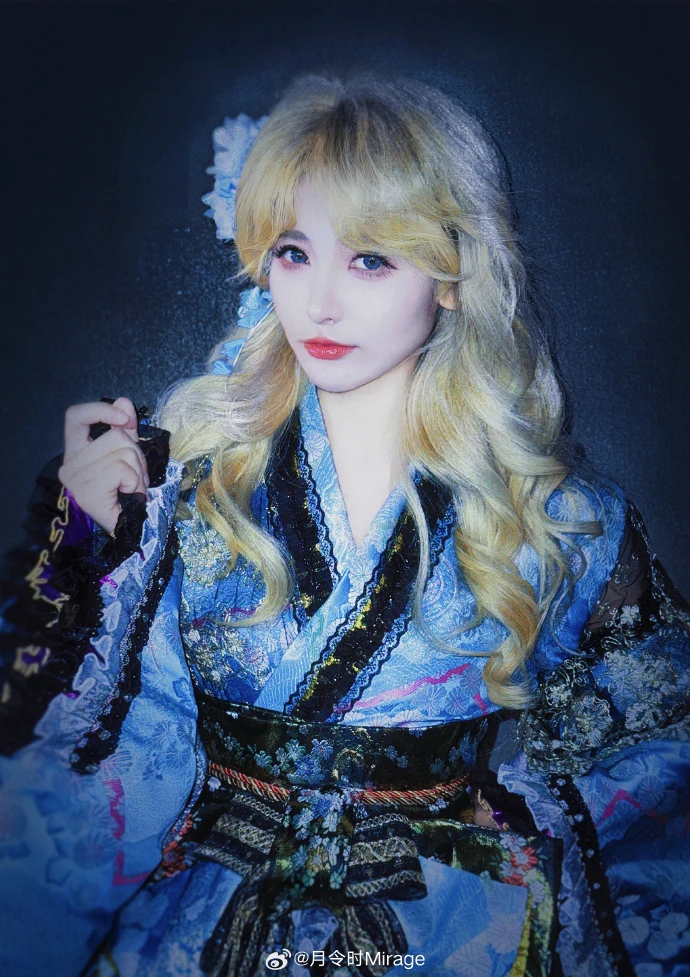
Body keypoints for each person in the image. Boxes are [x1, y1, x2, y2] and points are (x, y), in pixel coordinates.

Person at [0, 74, 688, 977]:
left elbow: (659, 755)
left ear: (451, 274)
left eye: (370, 260)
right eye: (294, 252)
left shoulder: (558, 523)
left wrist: (508, 846)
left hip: (445, 934)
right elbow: (109, 769)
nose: (320, 302)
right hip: (200, 931)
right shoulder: (189, 490)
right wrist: (92, 554)